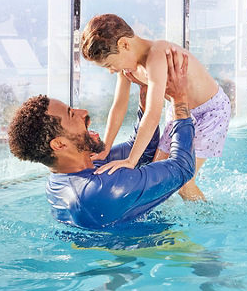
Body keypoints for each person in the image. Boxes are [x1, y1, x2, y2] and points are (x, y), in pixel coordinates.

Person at [6, 49, 196, 231]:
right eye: (72, 115)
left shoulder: (74, 171)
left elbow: (143, 152)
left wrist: (145, 91)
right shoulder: (101, 190)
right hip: (141, 256)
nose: (84, 113)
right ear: (59, 144)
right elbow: (183, 167)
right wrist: (179, 99)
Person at [80, 14, 228, 200]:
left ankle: (210, 220)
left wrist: (131, 160)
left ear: (124, 45)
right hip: (179, 113)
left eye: (109, 64)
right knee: (157, 174)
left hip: (210, 112)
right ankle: (164, 220)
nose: (111, 70)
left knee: (183, 181)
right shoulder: (128, 67)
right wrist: (106, 147)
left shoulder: (157, 55)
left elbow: (152, 113)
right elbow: (119, 106)